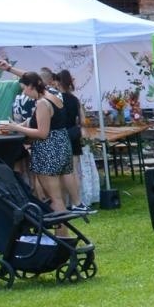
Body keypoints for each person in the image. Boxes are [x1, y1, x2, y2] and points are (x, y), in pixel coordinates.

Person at [5, 72, 74, 210]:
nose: (24, 92)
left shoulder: (42, 102)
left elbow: (43, 133)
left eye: (24, 88)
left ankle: (61, 232)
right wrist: (21, 125)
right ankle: (61, 231)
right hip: (62, 147)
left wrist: (15, 127)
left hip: (48, 151)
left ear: (31, 86)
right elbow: (51, 121)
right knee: (58, 197)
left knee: (55, 198)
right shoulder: (53, 97)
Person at [53, 69, 84, 213]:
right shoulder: (75, 99)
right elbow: (82, 120)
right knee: (73, 172)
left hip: (60, 135)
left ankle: (63, 203)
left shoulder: (55, 99)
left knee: (61, 173)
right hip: (74, 134)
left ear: (57, 82)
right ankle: (77, 202)